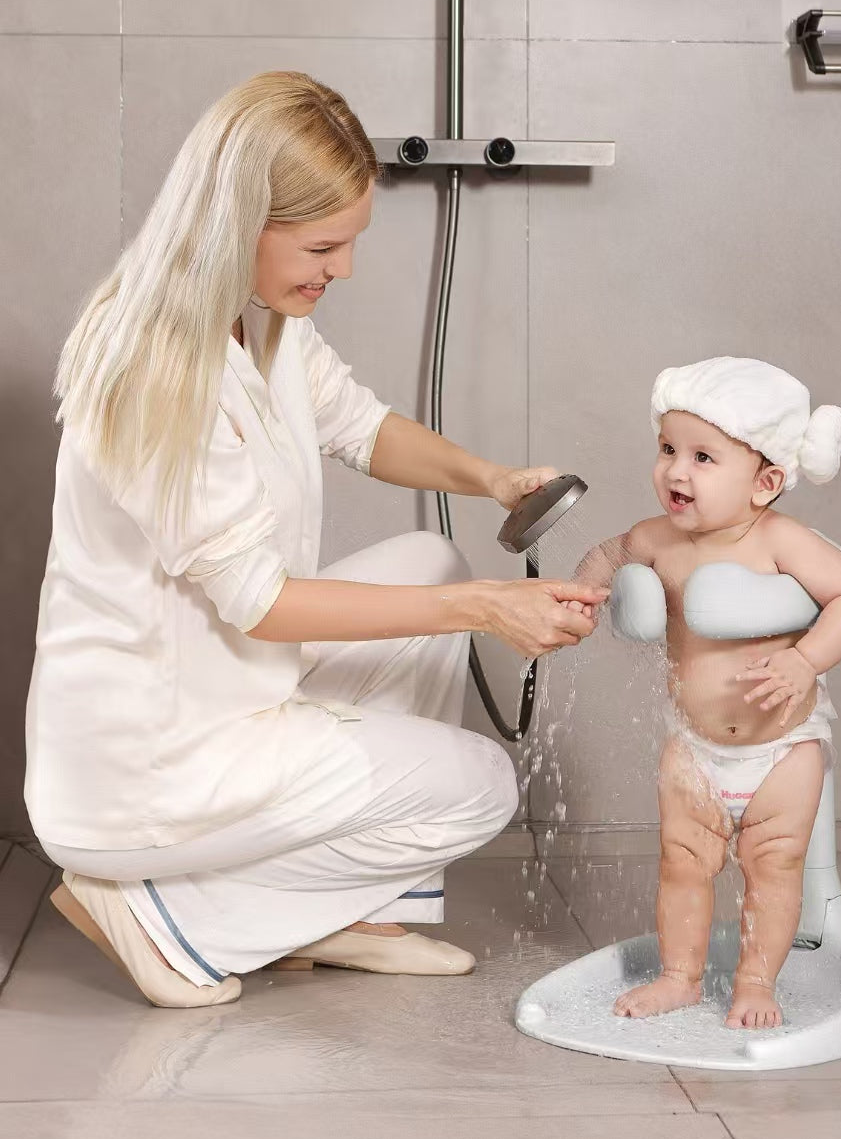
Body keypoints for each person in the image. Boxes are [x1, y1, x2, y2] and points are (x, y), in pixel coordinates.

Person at [23, 71, 607, 1009]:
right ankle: (162, 916)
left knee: (430, 561)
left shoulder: (259, 317)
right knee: (482, 786)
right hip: (148, 763)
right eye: (323, 246)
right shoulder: (155, 366)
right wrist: (486, 610)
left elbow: (361, 427)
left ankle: (346, 918)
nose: (343, 269)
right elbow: (260, 603)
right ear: (238, 225)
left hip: (222, 685)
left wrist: (493, 479)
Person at [572, 358, 841, 1028]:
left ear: (765, 483)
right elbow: (606, 558)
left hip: (782, 749)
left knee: (773, 867)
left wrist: (805, 659)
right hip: (694, 745)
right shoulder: (657, 539)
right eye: (667, 449)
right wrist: (580, 597)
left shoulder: (781, 540)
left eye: (703, 457)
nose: (675, 471)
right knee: (682, 864)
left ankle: (756, 984)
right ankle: (679, 978)